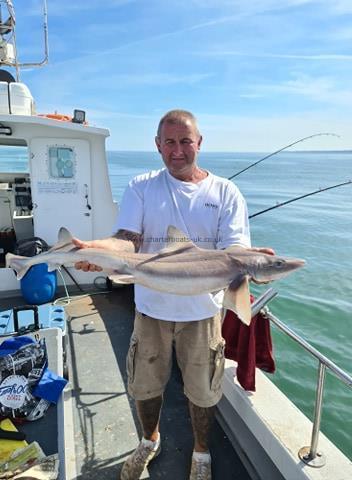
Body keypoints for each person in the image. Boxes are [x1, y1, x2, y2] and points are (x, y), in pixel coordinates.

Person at [74, 110, 274, 480]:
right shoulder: (142, 185)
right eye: (169, 142)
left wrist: (252, 265)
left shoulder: (225, 192)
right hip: (151, 308)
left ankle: (201, 452)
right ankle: (149, 440)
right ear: (157, 145)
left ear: (199, 143)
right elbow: (127, 240)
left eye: (185, 141)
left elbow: (233, 252)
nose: (177, 150)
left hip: (202, 313)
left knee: (203, 391)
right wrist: (95, 250)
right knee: (144, 385)